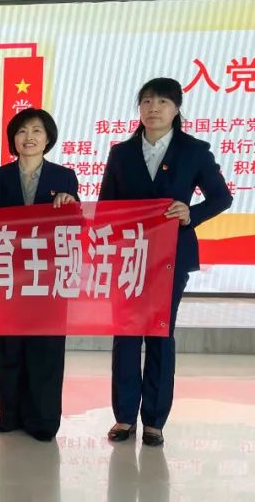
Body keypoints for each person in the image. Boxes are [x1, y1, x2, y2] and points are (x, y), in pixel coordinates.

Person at [102, 78, 231, 447]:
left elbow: (221, 197)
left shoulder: (194, 151)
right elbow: (107, 205)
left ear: (176, 108)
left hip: (172, 256)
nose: (153, 108)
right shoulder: (121, 153)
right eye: (146, 101)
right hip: (129, 256)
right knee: (126, 334)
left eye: (161, 102)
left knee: (160, 333)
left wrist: (191, 214)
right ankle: (124, 416)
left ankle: (155, 420)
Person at [0, 108, 78, 442]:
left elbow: (75, 226)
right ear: (13, 139)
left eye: (37, 131)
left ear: (48, 138)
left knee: (45, 349)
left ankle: (43, 420)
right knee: (7, 347)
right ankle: (9, 415)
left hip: (48, 278)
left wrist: (71, 203)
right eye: (22, 131)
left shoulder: (64, 176)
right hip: (7, 275)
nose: (29, 137)